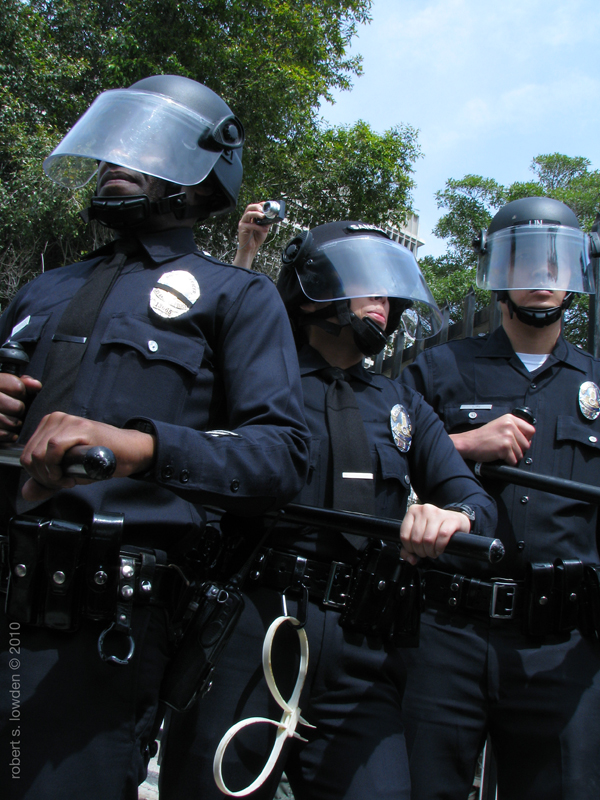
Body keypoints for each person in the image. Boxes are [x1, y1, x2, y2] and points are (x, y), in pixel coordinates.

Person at [0, 75, 310, 799]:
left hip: (101, 620)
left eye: (148, 143)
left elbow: (282, 457)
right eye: (116, 137)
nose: (117, 155)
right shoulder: (43, 289)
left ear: (206, 175)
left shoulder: (238, 295)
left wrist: (142, 447)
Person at [159, 219, 497, 800]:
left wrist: (454, 518)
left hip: (362, 649)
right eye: (366, 280)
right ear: (315, 288)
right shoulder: (253, 384)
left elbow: (474, 501)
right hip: (249, 627)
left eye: (390, 288)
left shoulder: (402, 404)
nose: (384, 300)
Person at [400, 196, 600, 800]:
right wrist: (463, 444)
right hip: (446, 629)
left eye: (556, 263)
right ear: (497, 271)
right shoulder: (438, 368)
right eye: (526, 261)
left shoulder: (595, 381)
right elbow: (382, 465)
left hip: (561, 644)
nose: (542, 278)